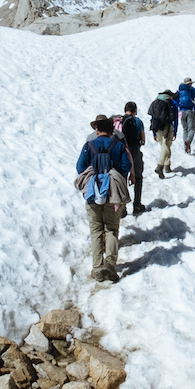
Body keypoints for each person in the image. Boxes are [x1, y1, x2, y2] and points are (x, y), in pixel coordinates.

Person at [76, 117, 130, 282]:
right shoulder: (119, 145)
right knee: (112, 229)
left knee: (96, 231)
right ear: (112, 131)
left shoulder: (89, 146)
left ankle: (98, 268)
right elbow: (126, 166)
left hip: (93, 192)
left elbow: (80, 167)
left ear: (97, 130)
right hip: (113, 193)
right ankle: (110, 265)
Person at [118, 101, 146, 214]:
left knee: (122, 179)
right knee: (138, 177)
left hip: (121, 152)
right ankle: (137, 204)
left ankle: (123, 208)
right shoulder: (138, 121)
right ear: (135, 110)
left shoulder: (119, 121)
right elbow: (143, 140)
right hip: (134, 151)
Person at [148, 90, 177, 177]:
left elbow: (153, 117)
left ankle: (167, 166)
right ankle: (160, 166)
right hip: (167, 126)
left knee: (164, 146)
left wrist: (154, 133)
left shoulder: (156, 102)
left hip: (157, 126)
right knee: (166, 146)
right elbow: (175, 118)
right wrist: (175, 131)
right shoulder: (171, 103)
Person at [176, 77, 195, 154]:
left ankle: (186, 149)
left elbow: (175, 100)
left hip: (180, 112)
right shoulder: (193, 90)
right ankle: (188, 141)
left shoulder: (179, 90)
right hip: (190, 111)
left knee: (185, 129)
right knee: (192, 129)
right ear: (190, 83)